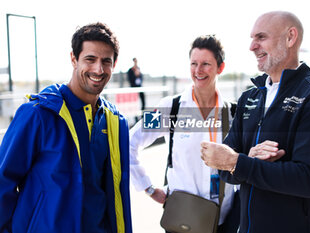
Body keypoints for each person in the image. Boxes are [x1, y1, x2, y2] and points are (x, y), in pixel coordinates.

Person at [201, 11, 310, 233]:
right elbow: (224, 166)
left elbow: (308, 180)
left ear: (290, 37)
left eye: (261, 37)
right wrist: (243, 160)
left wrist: (239, 162)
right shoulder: (250, 98)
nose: (252, 46)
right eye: (252, 38)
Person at [0, 22, 132, 233]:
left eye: (106, 61)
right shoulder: (37, 114)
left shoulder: (116, 122)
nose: (98, 69)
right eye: (90, 59)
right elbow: (3, 180)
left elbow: (116, 195)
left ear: (114, 65)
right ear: (74, 59)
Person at [129, 35, 239, 232]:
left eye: (206, 64)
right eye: (194, 63)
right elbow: (129, 141)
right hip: (182, 220)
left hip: (224, 221)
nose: (198, 71)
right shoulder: (170, 108)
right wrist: (148, 187)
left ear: (220, 68)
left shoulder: (233, 113)